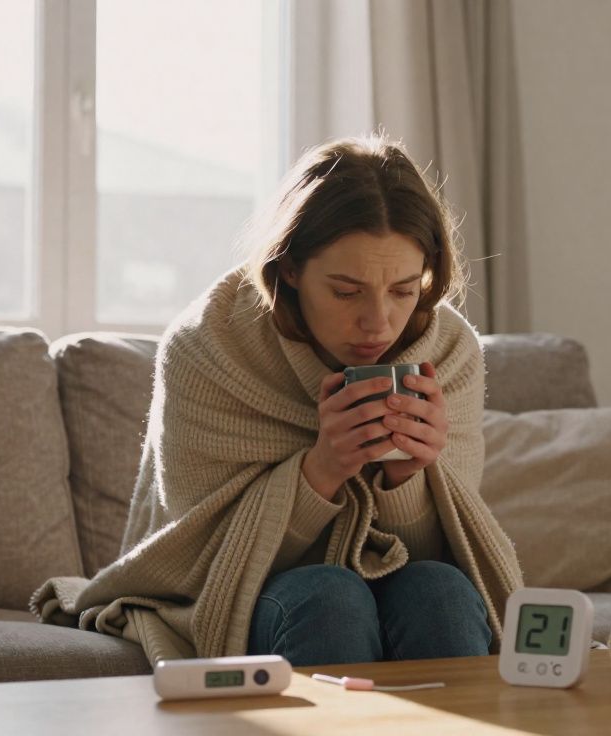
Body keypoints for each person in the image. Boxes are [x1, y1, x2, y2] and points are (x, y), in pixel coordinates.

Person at [30, 134, 523, 667]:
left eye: (403, 290)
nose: (377, 321)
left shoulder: (448, 350)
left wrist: (408, 477)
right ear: (289, 269)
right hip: (246, 592)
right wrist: (323, 470)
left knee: (442, 593)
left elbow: (438, 553)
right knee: (328, 596)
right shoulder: (211, 344)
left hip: (400, 586)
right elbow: (204, 558)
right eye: (345, 291)